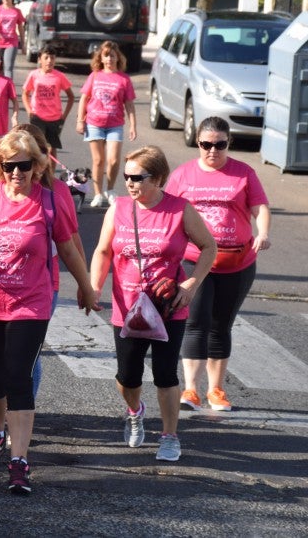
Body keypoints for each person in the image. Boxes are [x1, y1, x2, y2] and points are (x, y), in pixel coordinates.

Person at [0, 131, 98, 494]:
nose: (17, 172)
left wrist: (88, 287)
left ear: (37, 166)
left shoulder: (47, 200)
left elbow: (68, 248)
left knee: (18, 377)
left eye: (24, 165)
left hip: (30, 302)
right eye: (9, 165)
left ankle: (20, 461)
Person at [89, 145, 216, 463]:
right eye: (127, 177)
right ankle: (135, 411)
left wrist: (191, 283)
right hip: (127, 306)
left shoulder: (179, 210)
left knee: (165, 375)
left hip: (168, 306)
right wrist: (93, 287)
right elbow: (104, 251)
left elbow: (208, 247)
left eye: (137, 177)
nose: (129, 183)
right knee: (127, 377)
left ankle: (170, 436)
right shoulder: (117, 208)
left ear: (158, 178)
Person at [166, 117, 271, 412]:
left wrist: (262, 232)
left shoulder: (244, 173)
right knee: (196, 322)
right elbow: (168, 213)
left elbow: (259, 207)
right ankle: (190, 390)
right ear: (198, 143)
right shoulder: (183, 175)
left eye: (220, 145)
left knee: (221, 325)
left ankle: (216, 390)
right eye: (206, 144)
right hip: (194, 261)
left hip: (237, 262)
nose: (213, 151)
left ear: (228, 143)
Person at [76, 40, 137, 208]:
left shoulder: (123, 79)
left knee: (113, 160)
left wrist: (133, 125)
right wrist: (80, 120)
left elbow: (129, 104)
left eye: (112, 55)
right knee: (98, 161)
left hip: (115, 124)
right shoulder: (95, 75)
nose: (109, 59)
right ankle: (97, 194)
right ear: (101, 58)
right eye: (106, 55)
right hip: (94, 123)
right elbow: (83, 99)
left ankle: (109, 190)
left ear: (118, 57)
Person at [22, 46, 75, 159]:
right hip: (37, 117)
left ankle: (49, 175)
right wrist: (29, 111)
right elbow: (25, 94)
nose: (49, 61)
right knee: (38, 146)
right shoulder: (34, 75)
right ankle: (37, 173)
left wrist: (64, 116)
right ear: (40, 59)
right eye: (46, 58)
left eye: (52, 58)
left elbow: (71, 97)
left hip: (54, 118)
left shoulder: (59, 76)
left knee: (51, 149)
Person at [0, 0, 25, 81]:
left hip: (11, 42)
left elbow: (21, 28)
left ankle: (9, 89)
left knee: (8, 67)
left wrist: (23, 44)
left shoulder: (17, 11)